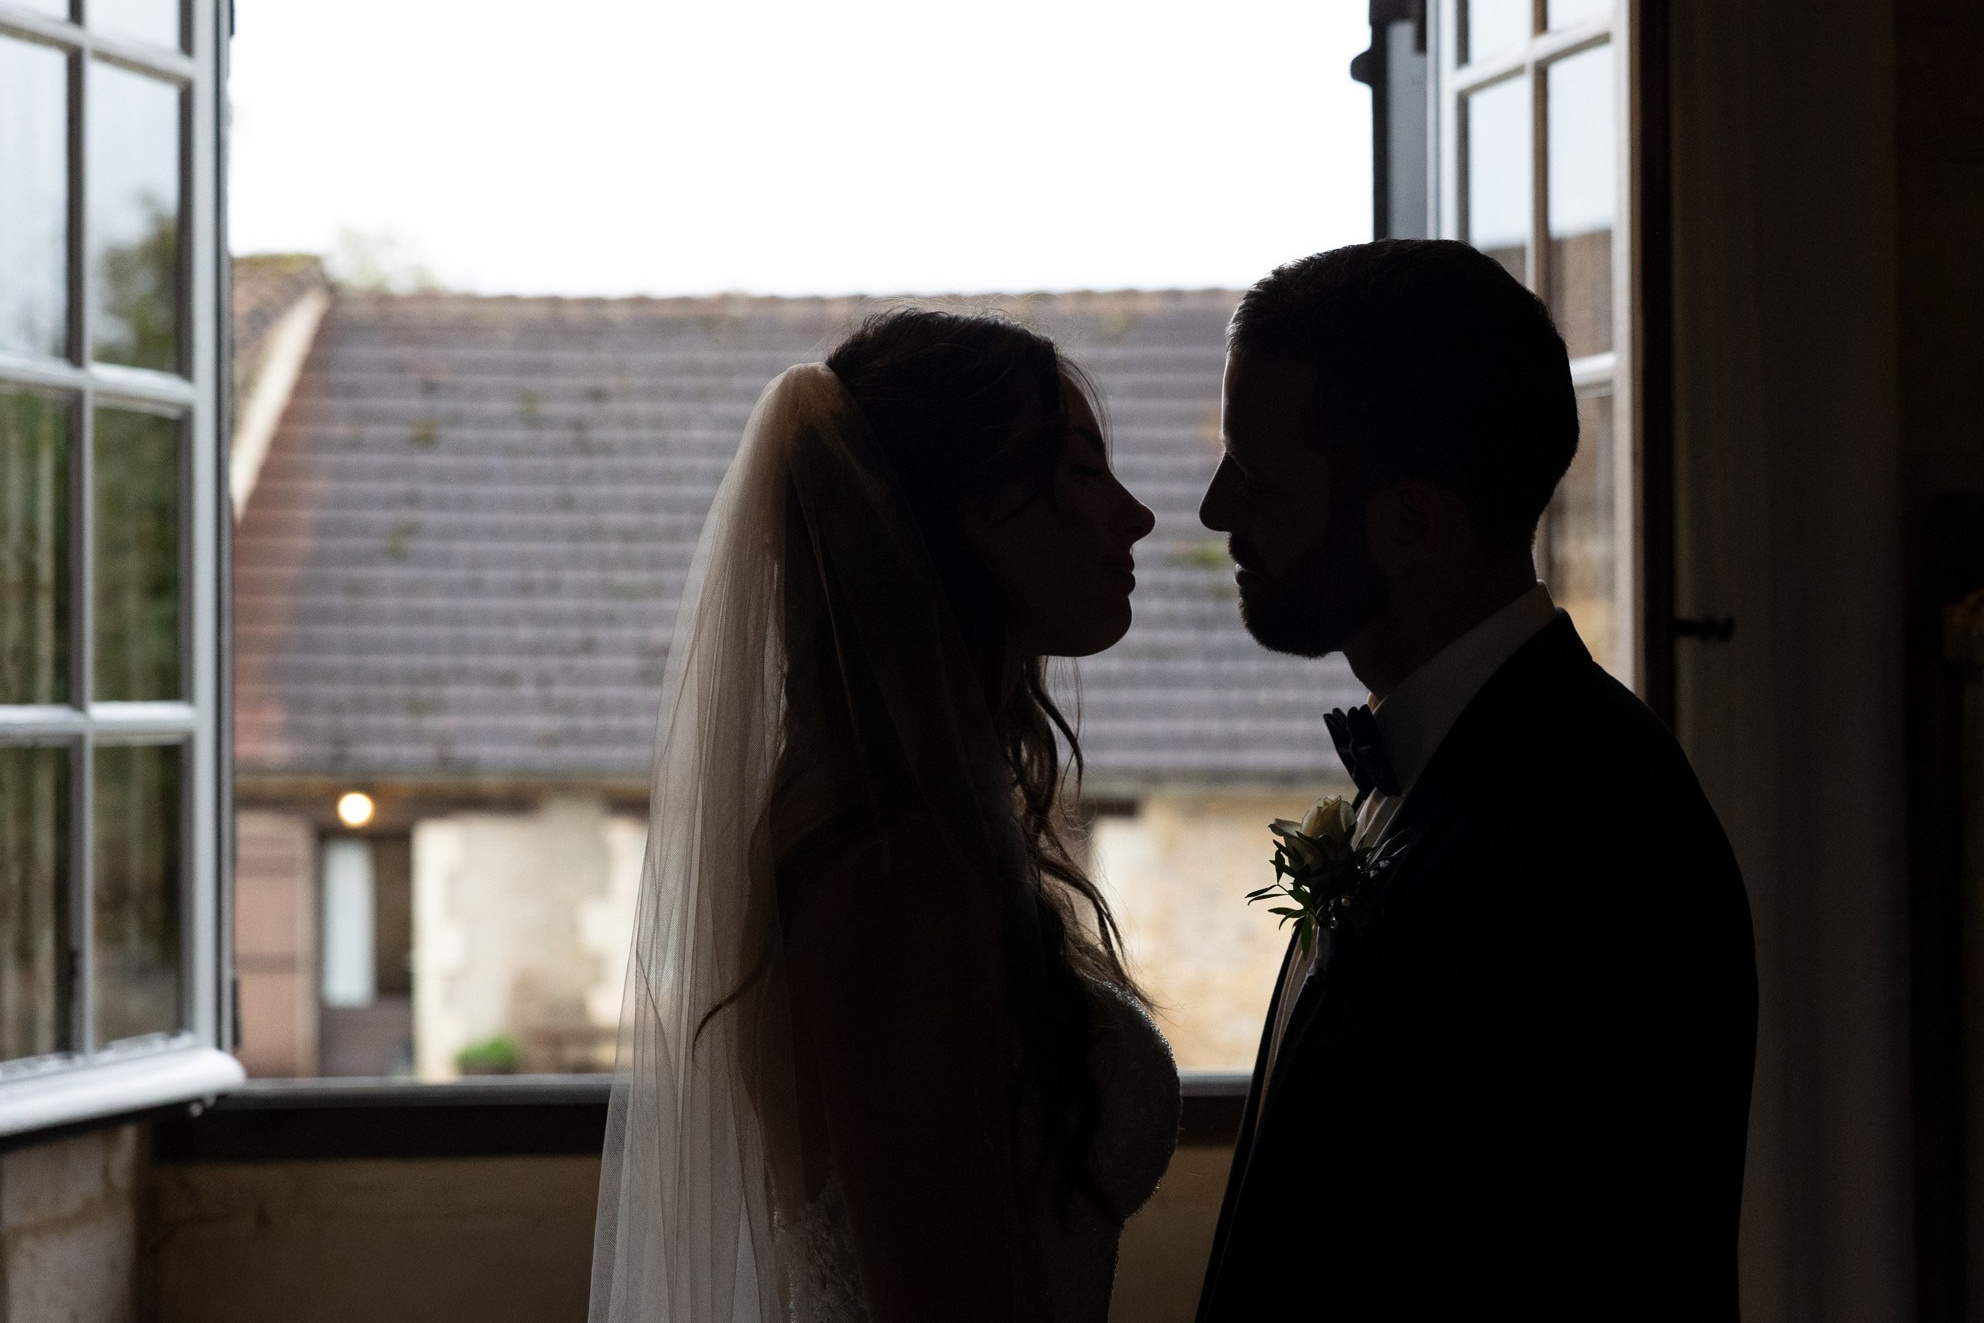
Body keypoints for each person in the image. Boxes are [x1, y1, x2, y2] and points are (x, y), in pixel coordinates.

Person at [1194, 241, 1758, 1321]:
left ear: (1410, 522)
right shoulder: (1459, 761)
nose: (1220, 510)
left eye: (1257, 475)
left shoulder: (1585, 838)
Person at [589, 309, 1178, 1323]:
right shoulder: (897, 875)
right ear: (966, 515)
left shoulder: (918, 828)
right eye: (1083, 473)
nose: (1135, 517)